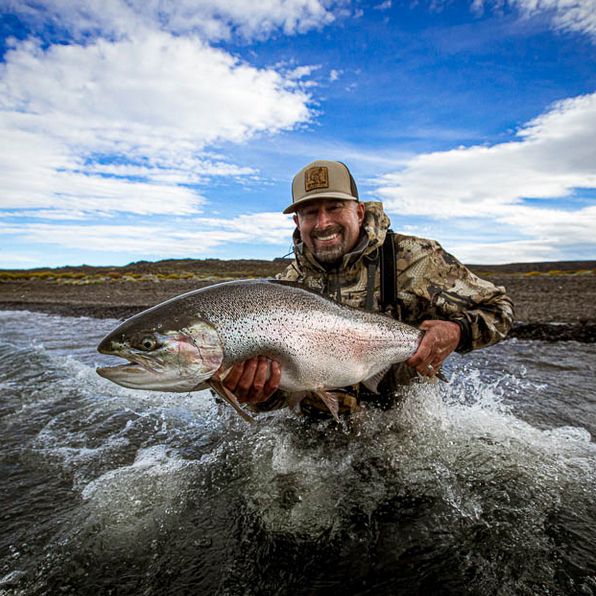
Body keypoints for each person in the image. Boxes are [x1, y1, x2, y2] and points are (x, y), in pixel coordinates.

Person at [222, 160, 514, 416]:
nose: (323, 223)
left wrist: (457, 333)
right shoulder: (285, 287)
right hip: (317, 431)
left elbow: (499, 310)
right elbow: (284, 393)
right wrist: (256, 396)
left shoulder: (414, 258)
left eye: (335, 208)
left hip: (401, 421)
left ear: (359, 212)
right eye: (310, 213)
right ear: (298, 222)